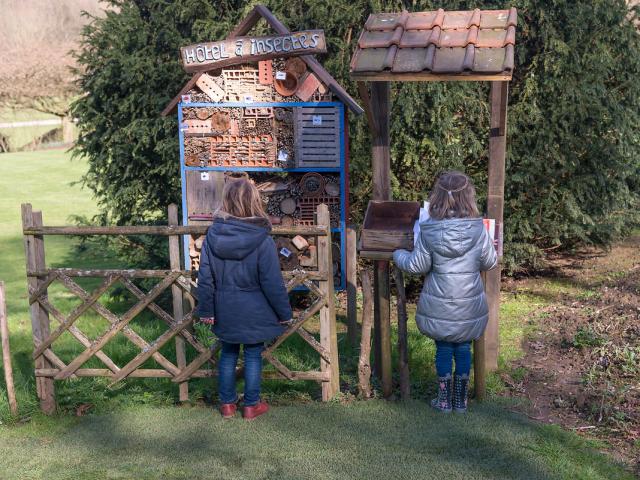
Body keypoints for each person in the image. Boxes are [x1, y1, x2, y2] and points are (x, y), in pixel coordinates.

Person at [393, 171, 497, 413]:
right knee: (463, 348)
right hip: (469, 304)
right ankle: (460, 401)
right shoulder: (477, 229)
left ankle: (443, 400)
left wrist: (397, 253)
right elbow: (490, 261)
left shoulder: (430, 230)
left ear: (437, 196)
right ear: (469, 197)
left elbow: (416, 266)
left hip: (439, 303)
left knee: (443, 348)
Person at [197, 178, 292, 420]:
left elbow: (206, 278)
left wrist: (207, 310)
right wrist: (284, 313)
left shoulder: (212, 236)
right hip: (254, 309)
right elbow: (272, 282)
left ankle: (227, 405)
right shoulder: (262, 239)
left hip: (224, 306)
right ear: (254, 202)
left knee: (228, 352)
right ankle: (251, 405)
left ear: (226, 201)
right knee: (252, 354)